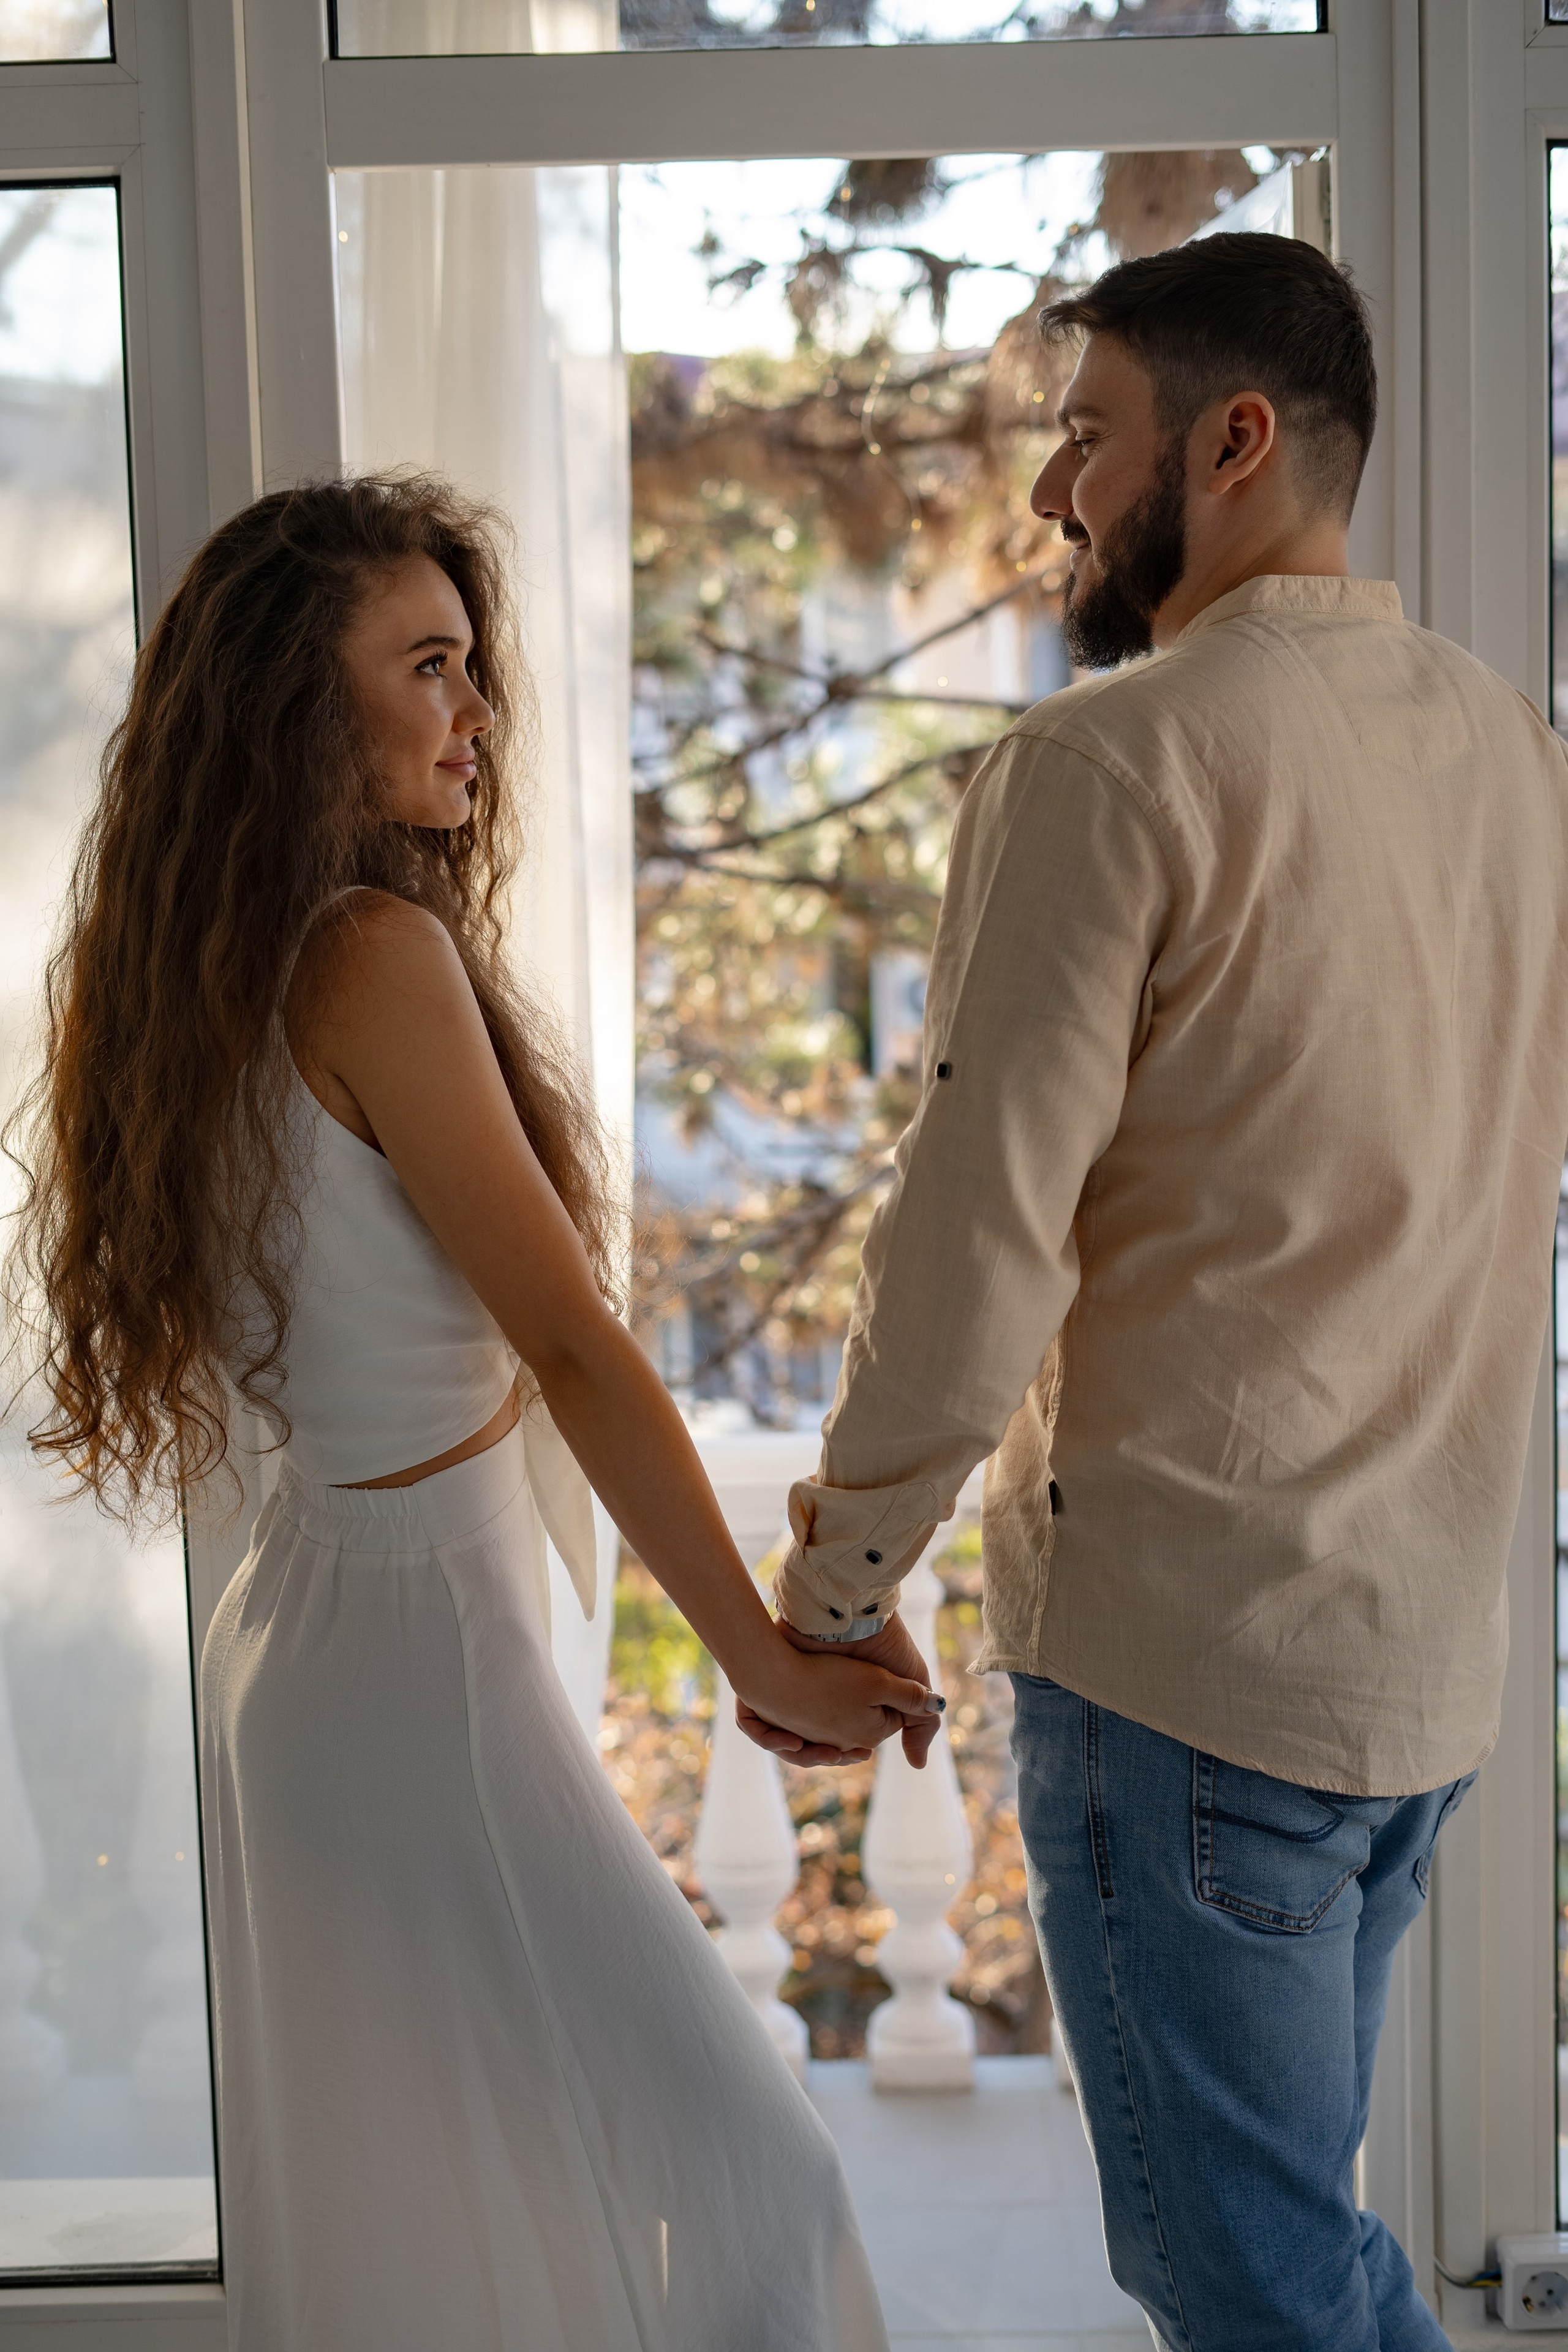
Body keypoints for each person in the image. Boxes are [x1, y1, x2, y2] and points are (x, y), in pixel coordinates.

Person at [4, 476, 941, 2351]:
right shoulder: (366, 956)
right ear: (295, 702)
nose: (475, 711)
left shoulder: (197, 969)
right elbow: (575, 1350)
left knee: (448, 2209)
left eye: (473, 664)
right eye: (426, 665)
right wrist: (760, 1648)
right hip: (416, 1655)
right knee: (759, 2171)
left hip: (323, 1637)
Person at [752, 233, 1568, 2350]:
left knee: (1255, 2281)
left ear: (1234, 440)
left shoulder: (1106, 768)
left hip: (1198, 1673)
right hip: (1421, 1669)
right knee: (1289, 2245)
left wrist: (838, 1590)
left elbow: (978, 1240)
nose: (1051, 501)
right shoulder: (1514, 756)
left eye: (1087, 442)